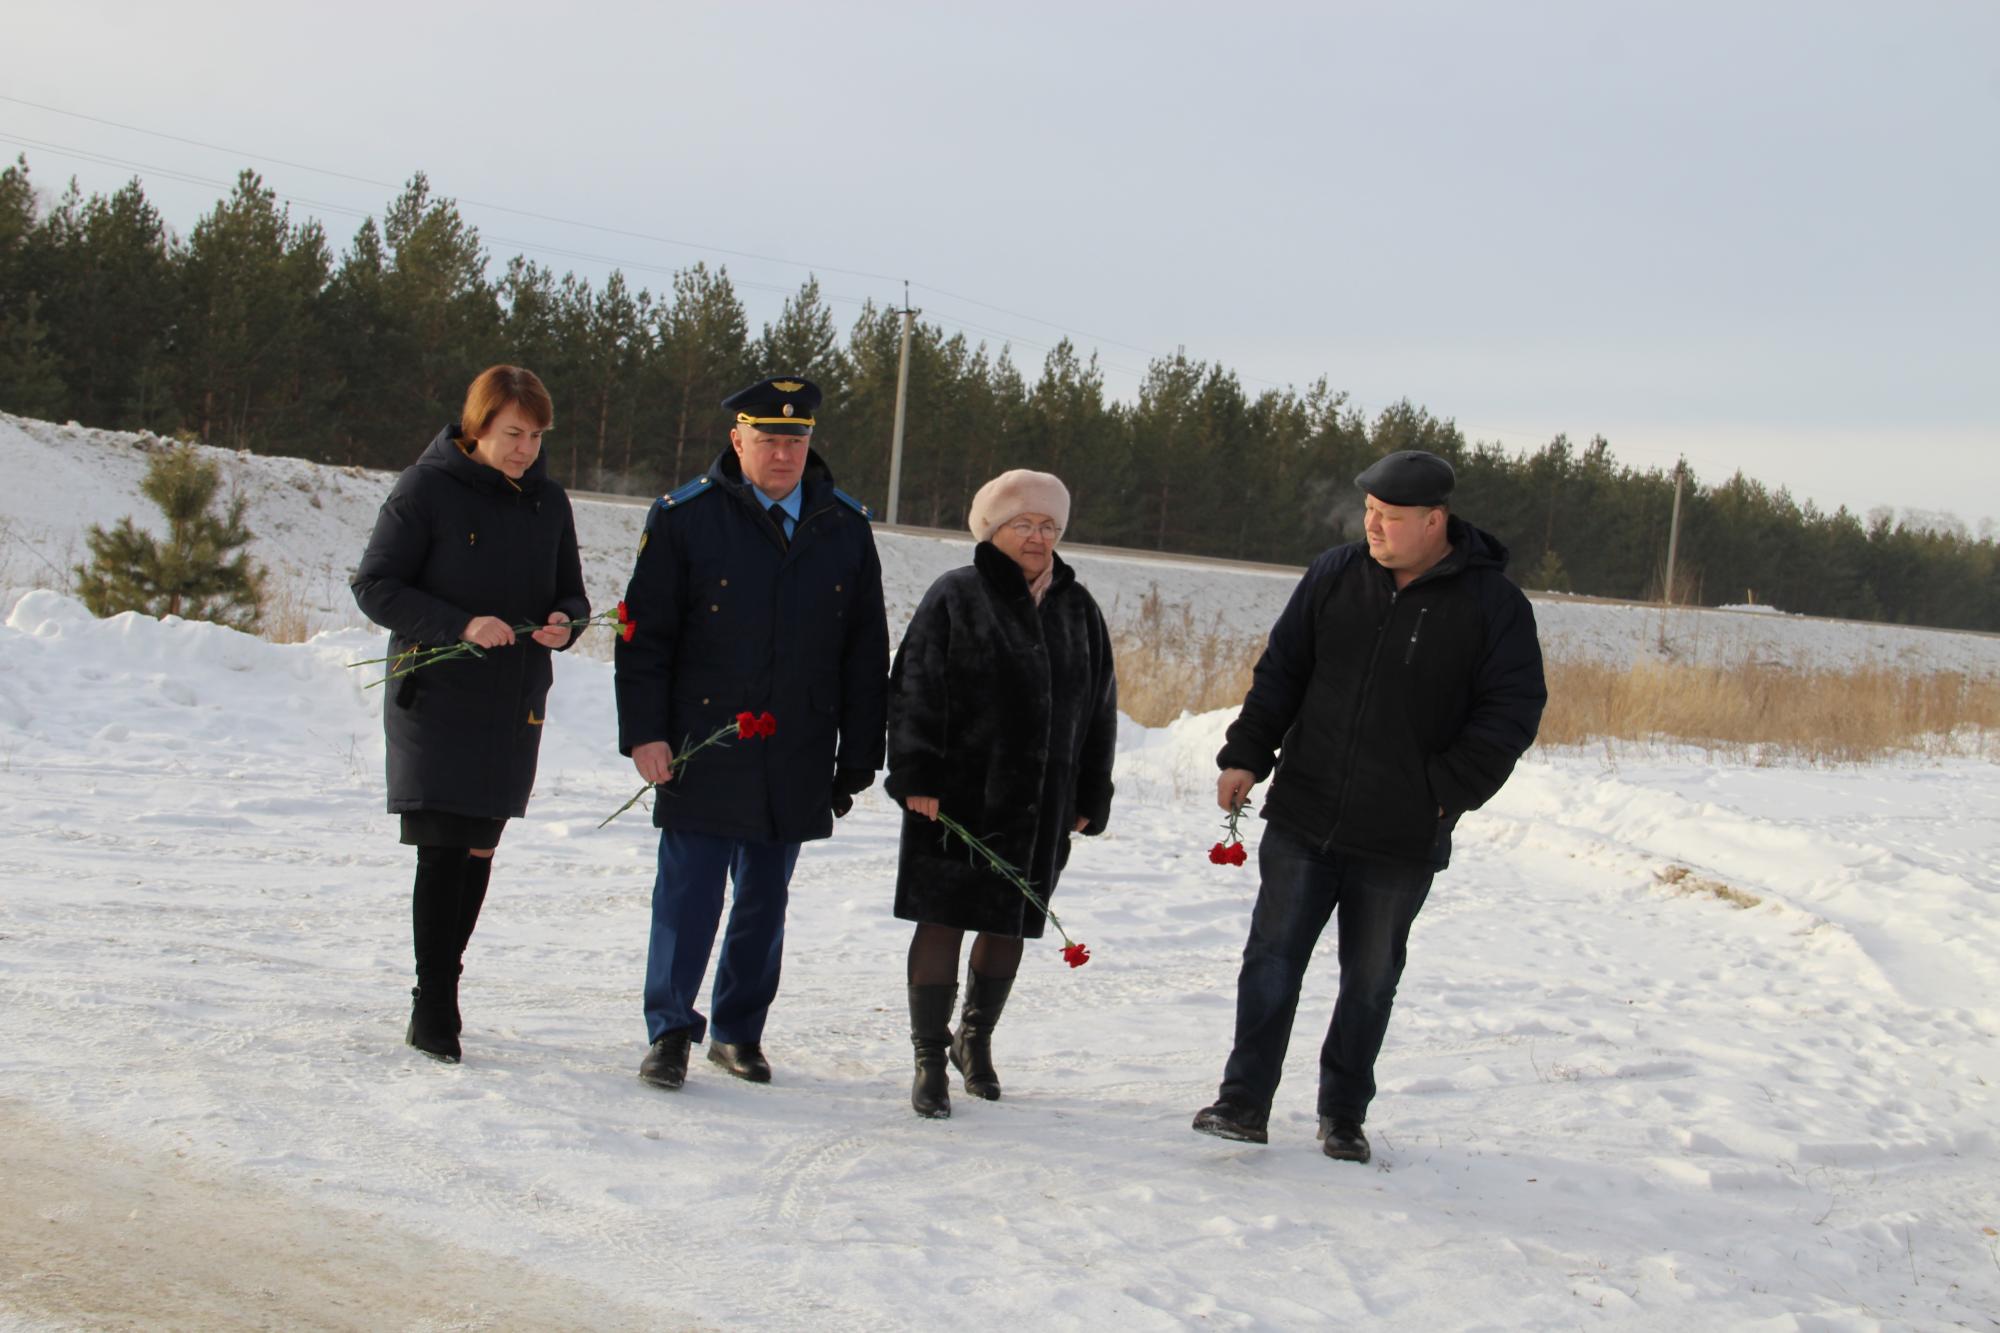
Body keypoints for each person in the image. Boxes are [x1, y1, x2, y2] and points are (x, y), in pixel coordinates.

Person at [1191, 450, 1546, 1162]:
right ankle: (1243, 1100)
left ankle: (1344, 1113)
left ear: (1435, 520)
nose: (1373, 527)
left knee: (1371, 978)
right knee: (1271, 960)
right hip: (1305, 810)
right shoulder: (1335, 574)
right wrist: (1246, 754)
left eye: (1389, 517)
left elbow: (1511, 712)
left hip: (1401, 833)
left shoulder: (1493, 605)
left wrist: (1441, 793)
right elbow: (1282, 671)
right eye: (1369, 513)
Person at [615, 376, 888, 1091]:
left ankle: (738, 1031)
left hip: (795, 748)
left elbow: (865, 651)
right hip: (704, 744)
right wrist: (645, 732)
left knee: (765, 901)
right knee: (689, 896)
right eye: (768, 438)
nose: (783, 453)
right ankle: (670, 1027)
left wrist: (859, 753)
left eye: (796, 440)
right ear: (737, 439)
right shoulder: (685, 518)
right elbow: (643, 637)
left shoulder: (845, 526)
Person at [352, 365, 589, 1064]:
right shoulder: (425, 489)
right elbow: (375, 585)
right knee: (443, 842)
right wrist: (459, 625)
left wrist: (563, 622)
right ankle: (435, 998)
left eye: (537, 436)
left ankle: (442, 984)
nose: (526, 448)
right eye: (513, 433)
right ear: (478, 425)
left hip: (512, 698)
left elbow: (572, 594)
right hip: (438, 692)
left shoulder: (549, 503)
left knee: (481, 843)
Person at [884, 470, 1117, 1118]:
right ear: (993, 529)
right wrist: (917, 775)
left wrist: (1089, 791)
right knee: (943, 918)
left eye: (1049, 526)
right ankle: (930, 1055)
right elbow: (913, 687)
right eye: (1024, 524)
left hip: (1039, 801)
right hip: (955, 797)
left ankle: (975, 1039)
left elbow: (1100, 707)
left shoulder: (1078, 609)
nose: (1038, 537)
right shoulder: (956, 595)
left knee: (1007, 920)